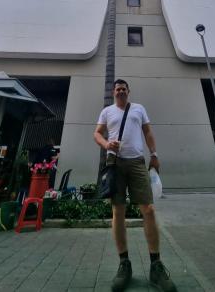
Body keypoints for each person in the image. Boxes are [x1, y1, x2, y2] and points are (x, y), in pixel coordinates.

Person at [94, 79, 177, 292]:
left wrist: (155, 154)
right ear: (113, 93)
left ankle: (156, 266)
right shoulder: (107, 111)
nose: (120, 91)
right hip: (115, 163)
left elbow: (148, 132)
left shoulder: (139, 109)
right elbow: (97, 133)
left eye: (124, 89)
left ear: (128, 92)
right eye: (117, 89)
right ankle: (124, 264)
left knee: (148, 209)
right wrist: (106, 144)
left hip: (138, 161)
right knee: (118, 211)